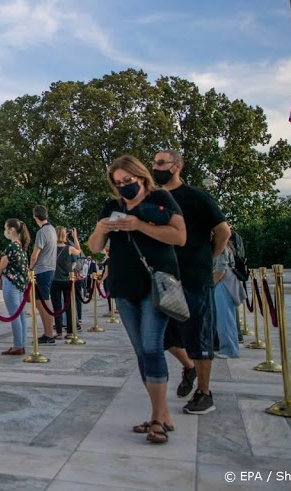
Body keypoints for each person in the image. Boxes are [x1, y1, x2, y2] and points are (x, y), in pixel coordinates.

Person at [88, 155, 186, 445]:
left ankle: (158, 418)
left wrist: (138, 225)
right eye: (118, 183)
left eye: (127, 181)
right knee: (142, 351)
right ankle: (162, 413)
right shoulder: (112, 207)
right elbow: (95, 248)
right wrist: (101, 229)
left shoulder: (161, 199)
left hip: (156, 285)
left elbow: (179, 236)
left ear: (141, 177)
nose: (123, 187)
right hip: (123, 286)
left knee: (152, 345)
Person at [153, 149, 231, 416]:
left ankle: (205, 392)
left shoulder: (196, 197)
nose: (156, 167)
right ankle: (188, 368)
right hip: (165, 277)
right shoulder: (155, 199)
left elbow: (223, 231)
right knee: (162, 333)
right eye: (154, 163)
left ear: (177, 167)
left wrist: (209, 256)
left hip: (195, 277)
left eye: (161, 163)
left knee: (198, 334)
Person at [0, 218, 31, 356]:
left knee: (14, 315)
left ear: (12, 230)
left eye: (6, 228)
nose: (5, 231)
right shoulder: (21, 248)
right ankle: (21, 343)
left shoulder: (11, 247)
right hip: (21, 284)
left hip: (11, 283)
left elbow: (3, 263)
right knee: (20, 315)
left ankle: (18, 345)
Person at [30, 205, 57, 345]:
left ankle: (49, 333)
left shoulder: (42, 232)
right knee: (43, 302)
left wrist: (30, 268)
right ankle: (48, 332)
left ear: (35, 216)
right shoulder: (52, 229)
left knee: (43, 303)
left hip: (42, 270)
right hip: (51, 268)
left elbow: (35, 255)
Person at [212, 240, 244, 359]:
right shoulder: (224, 245)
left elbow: (220, 269)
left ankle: (229, 349)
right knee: (225, 318)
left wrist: (210, 285)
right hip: (225, 282)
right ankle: (228, 348)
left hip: (223, 283)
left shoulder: (221, 246)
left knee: (225, 318)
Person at [50, 226, 83, 339]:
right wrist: (75, 238)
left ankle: (58, 332)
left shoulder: (51, 248)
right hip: (67, 280)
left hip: (54, 279)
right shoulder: (68, 248)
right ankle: (69, 331)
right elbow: (79, 252)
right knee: (68, 306)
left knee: (57, 306)